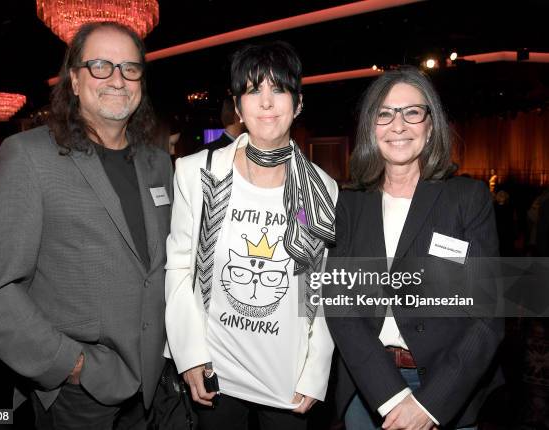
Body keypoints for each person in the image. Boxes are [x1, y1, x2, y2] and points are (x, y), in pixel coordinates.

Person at [0, 21, 173, 430]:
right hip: (80, 393)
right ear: (75, 81)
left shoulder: (158, 163)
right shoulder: (29, 157)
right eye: (101, 66)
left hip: (156, 383)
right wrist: (71, 365)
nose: (118, 79)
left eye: (130, 68)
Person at [165, 41, 337, 430]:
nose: (266, 102)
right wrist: (189, 356)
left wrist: (315, 370)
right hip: (216, 372)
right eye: (252, 90)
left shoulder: (322, 188)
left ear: (298, 103)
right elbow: (178, 269)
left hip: (285, 376)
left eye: (278, 89)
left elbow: (323, 287)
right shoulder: (196, 172)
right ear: (238, 106)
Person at [326, 66, 503, 430]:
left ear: (430, 124)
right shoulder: (349, 205)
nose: (398, 125)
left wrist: (430, 405)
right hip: (369, 387)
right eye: (385, 114)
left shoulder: (467, 199)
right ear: (371, 128)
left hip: (448, 389)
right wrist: (392, 397)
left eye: (412, 112)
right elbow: (340, 307)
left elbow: (489, 317)